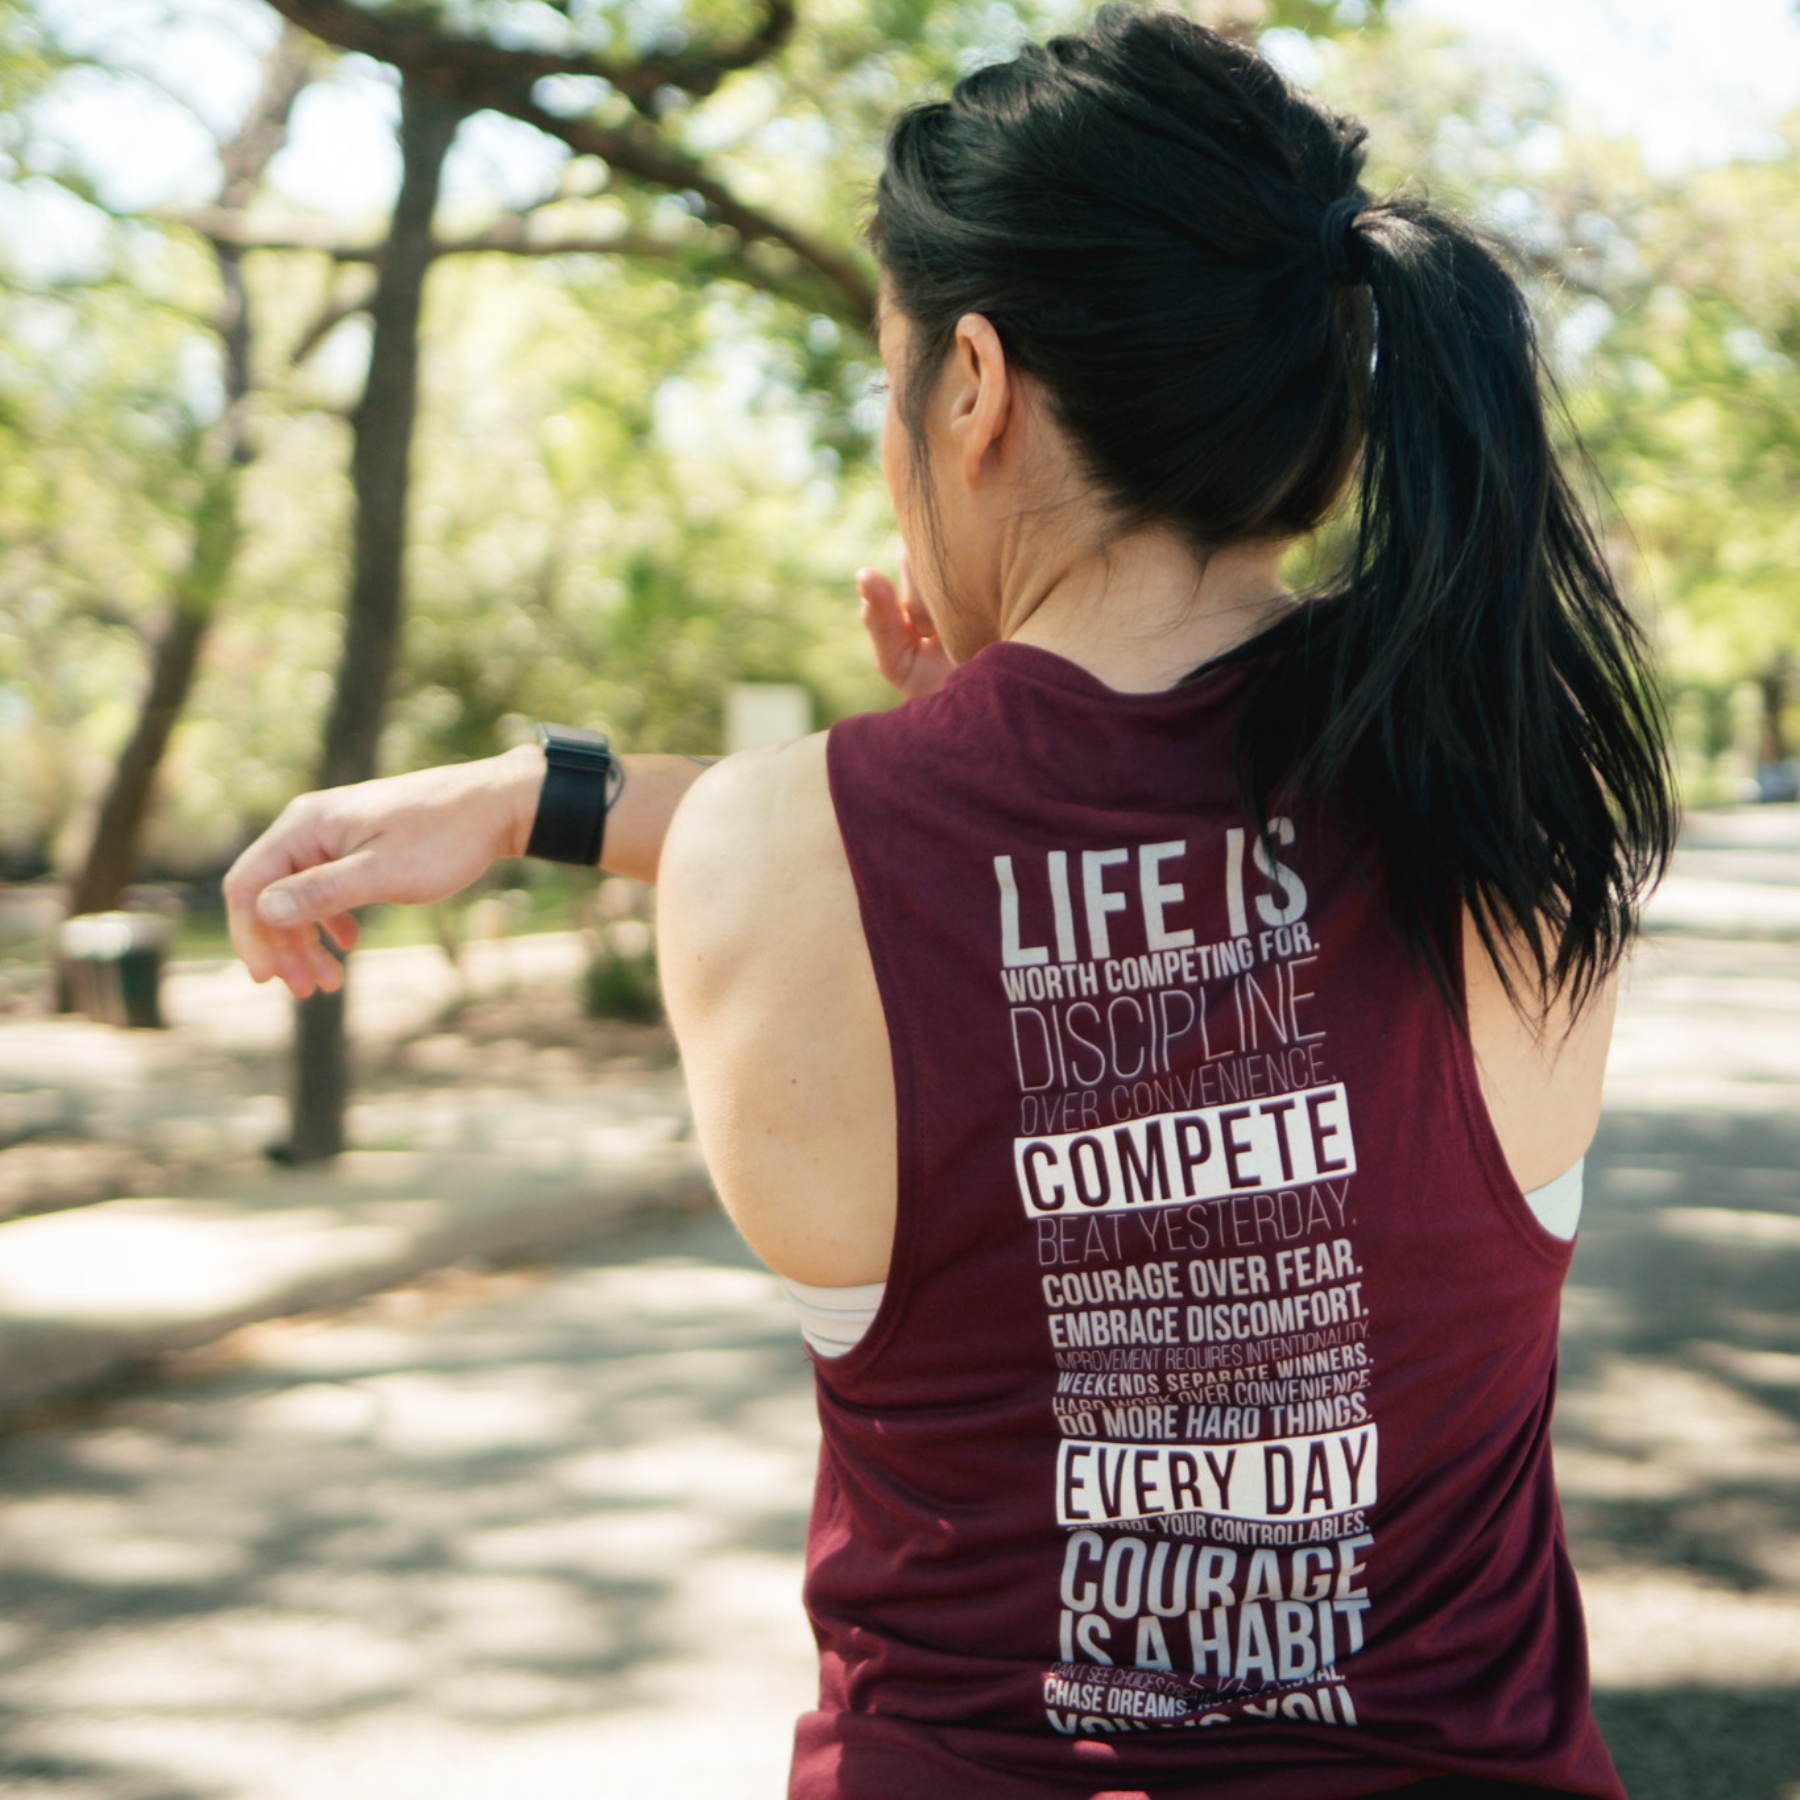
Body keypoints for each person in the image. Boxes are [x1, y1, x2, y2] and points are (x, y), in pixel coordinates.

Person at [224, 10, 1673, 1795]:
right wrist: (585, 790)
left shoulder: (783, 866)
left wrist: (564, 790)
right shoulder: (1513, 790)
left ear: (974, 386)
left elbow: (871, 859)